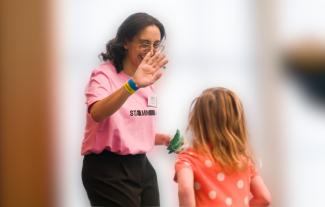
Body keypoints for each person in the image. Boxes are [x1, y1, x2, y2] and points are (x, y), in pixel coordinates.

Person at [81, 12, 170, 207]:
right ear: (126, 42)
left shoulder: (150, 79)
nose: (151, 51)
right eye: (144, 43)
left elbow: (128, 125)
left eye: (156, 45)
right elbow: (97, 113)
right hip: (108, 169)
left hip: (141, 167)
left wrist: (159, 138)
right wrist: (132, 85)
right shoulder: (104, 75)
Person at [174, 87, 271, 207]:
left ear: (196, 121)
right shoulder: (242, 160)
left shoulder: (189, 158)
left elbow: (185, 190)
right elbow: (264, 197)